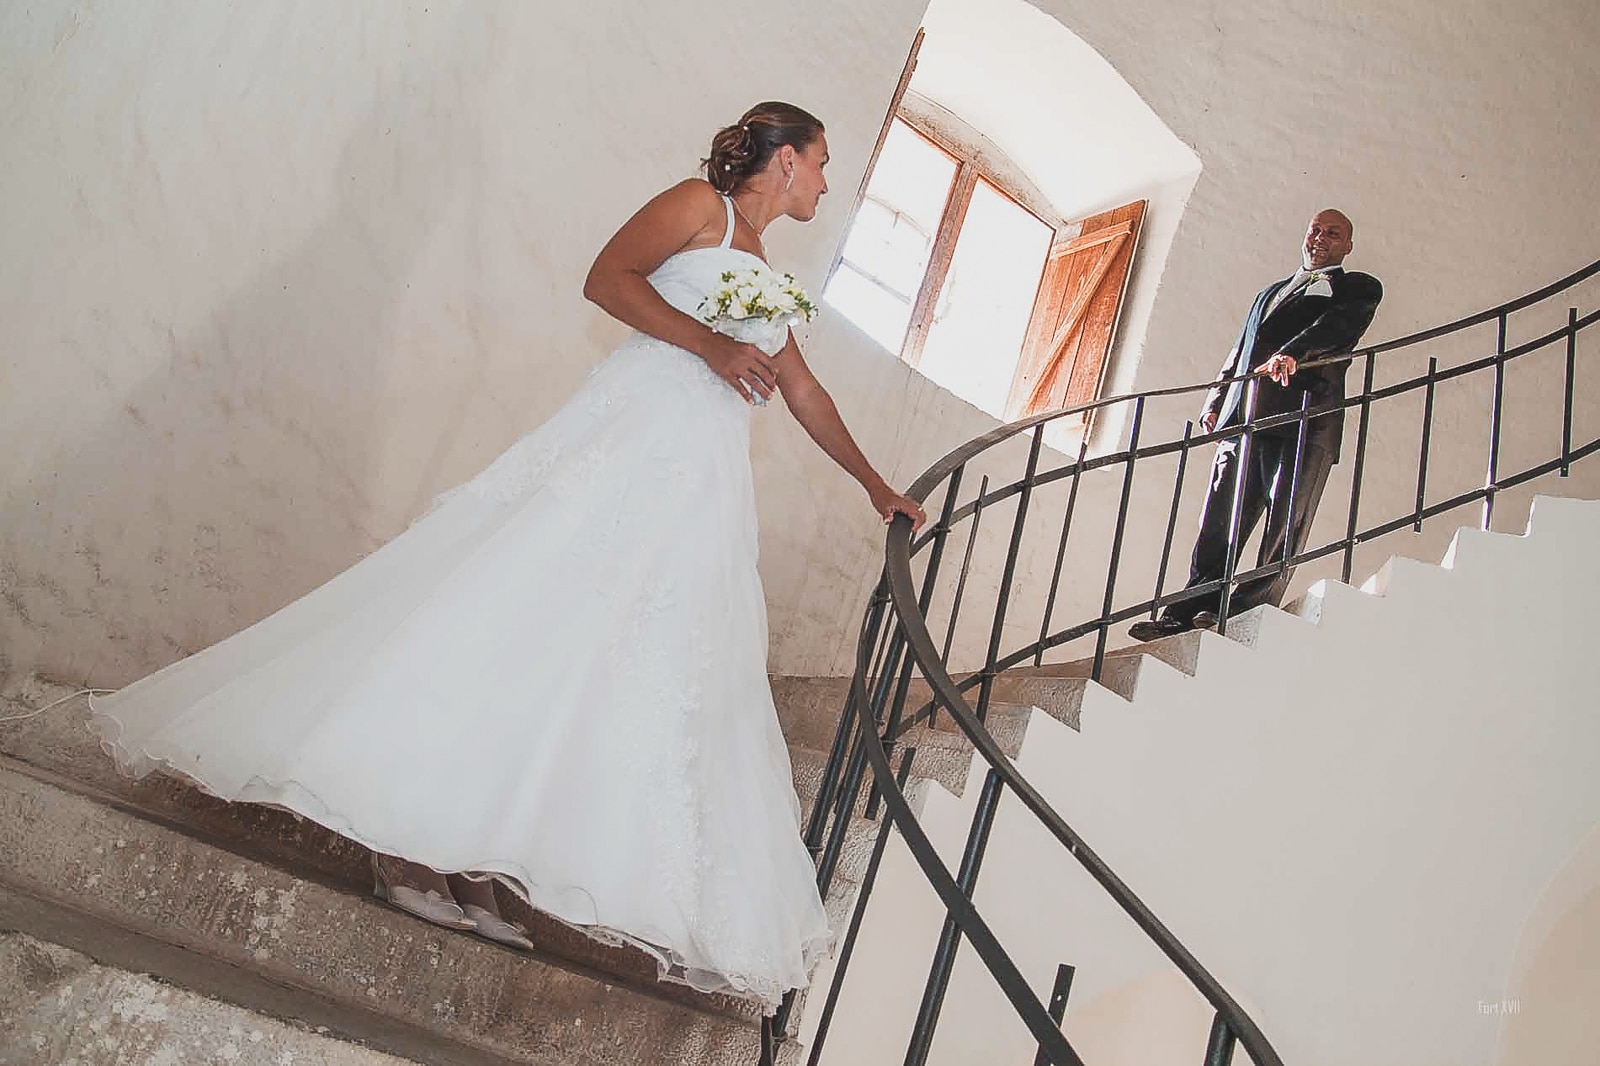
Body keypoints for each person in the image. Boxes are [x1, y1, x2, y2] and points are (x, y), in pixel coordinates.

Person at [88, 101, 925, 1010]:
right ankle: (409, 844)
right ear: (788, 157)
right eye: (825, 162)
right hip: (630, 447)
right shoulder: (698, 206)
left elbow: (801, 387)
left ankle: (475, 858)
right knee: (518, 624)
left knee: (583, 662)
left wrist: (875, 486)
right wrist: (713, 344)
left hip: (696, 486)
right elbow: (608, 279)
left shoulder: (766, 269)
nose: (829, 182)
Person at [1130, 209, 1382, 641]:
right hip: (1243, 419)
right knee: (1218, 520)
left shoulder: (1357, 286)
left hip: (1304, 418)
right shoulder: (1269, 293)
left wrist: (1294, 353)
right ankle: (1190, 610)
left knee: (1284, 522)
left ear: (1348, 245)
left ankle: (1248, 610)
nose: (1320, 238)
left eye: (1332, 233)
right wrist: (1217, 401)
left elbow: (1338, 326)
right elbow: (1240, 349)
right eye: (1315, 230)